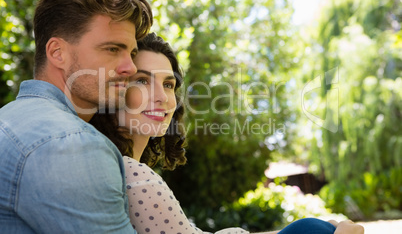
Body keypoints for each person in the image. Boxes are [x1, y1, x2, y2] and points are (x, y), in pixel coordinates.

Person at [90, 33, 364, 234]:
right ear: (115, 88)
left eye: (169, 84)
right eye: (142, 80)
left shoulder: (126, 169)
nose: (162, 97)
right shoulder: (133, 176)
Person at [0, 0, 153, 233]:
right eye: (113, 49)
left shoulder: (9, 118)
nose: (131, 67)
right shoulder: (71, 144)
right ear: (58, 53)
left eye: (132, 53)